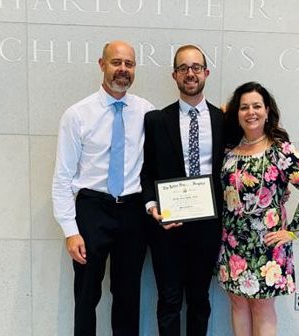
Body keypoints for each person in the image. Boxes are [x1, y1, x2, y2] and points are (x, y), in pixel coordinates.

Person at [51, 40, 155, 336]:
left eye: (129, 64)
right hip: (92, 209)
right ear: (102, 64)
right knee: (86, 295)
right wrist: (70, 231)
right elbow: (62, 177)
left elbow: (171, 141)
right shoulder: (77, 114)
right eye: (116, 62)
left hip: (133, 212)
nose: (123, 69)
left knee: (128, 295)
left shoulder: (147, 111)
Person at [217, 81, 299, 336]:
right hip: (232, 242)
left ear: (267, 110)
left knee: (262, 305)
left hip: (267, 244)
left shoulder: (281, 150)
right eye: (244, 107)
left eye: (257, 106)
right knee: (237, 302)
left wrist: (292, 231)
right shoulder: (229, 150)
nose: (251, 112)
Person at [140, 44, 224, 336]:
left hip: (209, 226)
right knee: (169, 300)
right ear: (174, 75)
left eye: (196, 68)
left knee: (200, 301)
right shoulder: (155, 120)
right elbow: (146, 169)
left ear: (206, 73)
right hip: (167, 225)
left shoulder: (224, 121)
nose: (190, 73)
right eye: (184, 68)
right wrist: (152, 206)